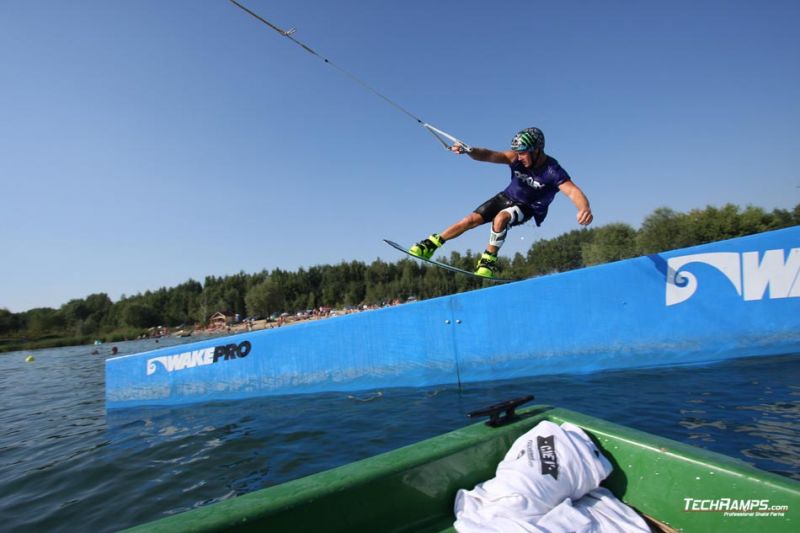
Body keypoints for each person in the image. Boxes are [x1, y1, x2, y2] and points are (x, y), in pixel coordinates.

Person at [409, 127, 593, 278]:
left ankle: (488, 260)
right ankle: (431, 245)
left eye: (523, 153)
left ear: (536, 150)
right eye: (517, 153)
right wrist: (469, 150)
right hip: (506, 196)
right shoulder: (515, 158)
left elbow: (572, 191)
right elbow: (489, 155)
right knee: (469, 220)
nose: (519, 157)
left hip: (528, 207)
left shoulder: (552, 170)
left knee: (501, 218)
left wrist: (584, 207)